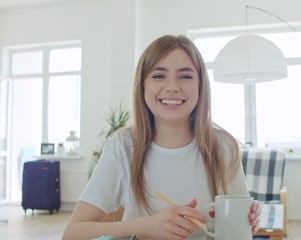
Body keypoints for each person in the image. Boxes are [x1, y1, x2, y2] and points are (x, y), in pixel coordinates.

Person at [62, 35, 260, 240]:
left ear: (201, 85)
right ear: (143, 85)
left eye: (185, 76)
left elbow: (238, 226)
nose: (172, 86)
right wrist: (146, 225)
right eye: (158, 76)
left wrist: (248, 220)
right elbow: (72, 234)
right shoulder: (122, 147)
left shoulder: (224, 146)